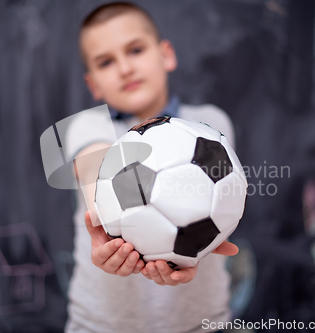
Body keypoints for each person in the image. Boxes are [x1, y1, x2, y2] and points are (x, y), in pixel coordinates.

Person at [65, 2, 238, 332]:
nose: (125, 68)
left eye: (135, 50)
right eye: (106, 62)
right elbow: (94, 168)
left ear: (166, 55)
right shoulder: (89, 126)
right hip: (100, 325)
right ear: (94, 85)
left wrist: (194, 253)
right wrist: (103, 218)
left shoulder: (210, 125)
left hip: (200, 323)